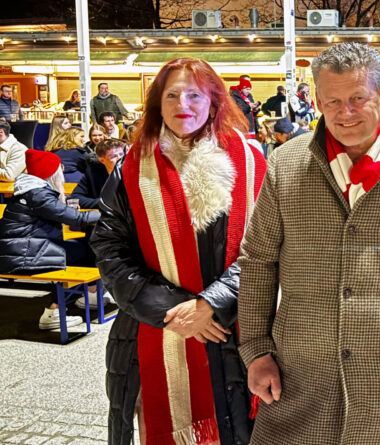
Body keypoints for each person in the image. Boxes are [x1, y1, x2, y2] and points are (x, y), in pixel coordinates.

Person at [238, 42, 380, 445]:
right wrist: (255, 349)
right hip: (297, 372)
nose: (345, 112)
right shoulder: (287, 164)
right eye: (332, 101)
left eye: (358, 98)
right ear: (317, 100)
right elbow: (257, 262)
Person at [90, 57, 265, 445]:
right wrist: (173, 310)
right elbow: (109, 247)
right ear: (157, 103)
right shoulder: (131, 168)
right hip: (155, 328)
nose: (181, 103)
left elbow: (267, 249)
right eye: (171, 94)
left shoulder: (251, 163)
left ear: (214, 102)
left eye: (193, 94)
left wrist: (209, 305)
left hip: (235, 333)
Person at [0, 149, 100, 328]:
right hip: (25, 256)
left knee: (82, 247)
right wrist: (109, 214)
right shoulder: (38, 194)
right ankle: (54, 311)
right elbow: (78, 218)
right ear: (51, 173)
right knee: (87, 249)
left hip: (20, 251)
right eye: (59, 169)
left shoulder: (29, 190)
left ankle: (90, 294)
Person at [71, 138, 125, 210]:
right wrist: (104, 203)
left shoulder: (131, 172)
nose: (120, 158)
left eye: (121, 154)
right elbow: (76, 197)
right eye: (113, 156)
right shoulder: (93, 172)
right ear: (102, 160)